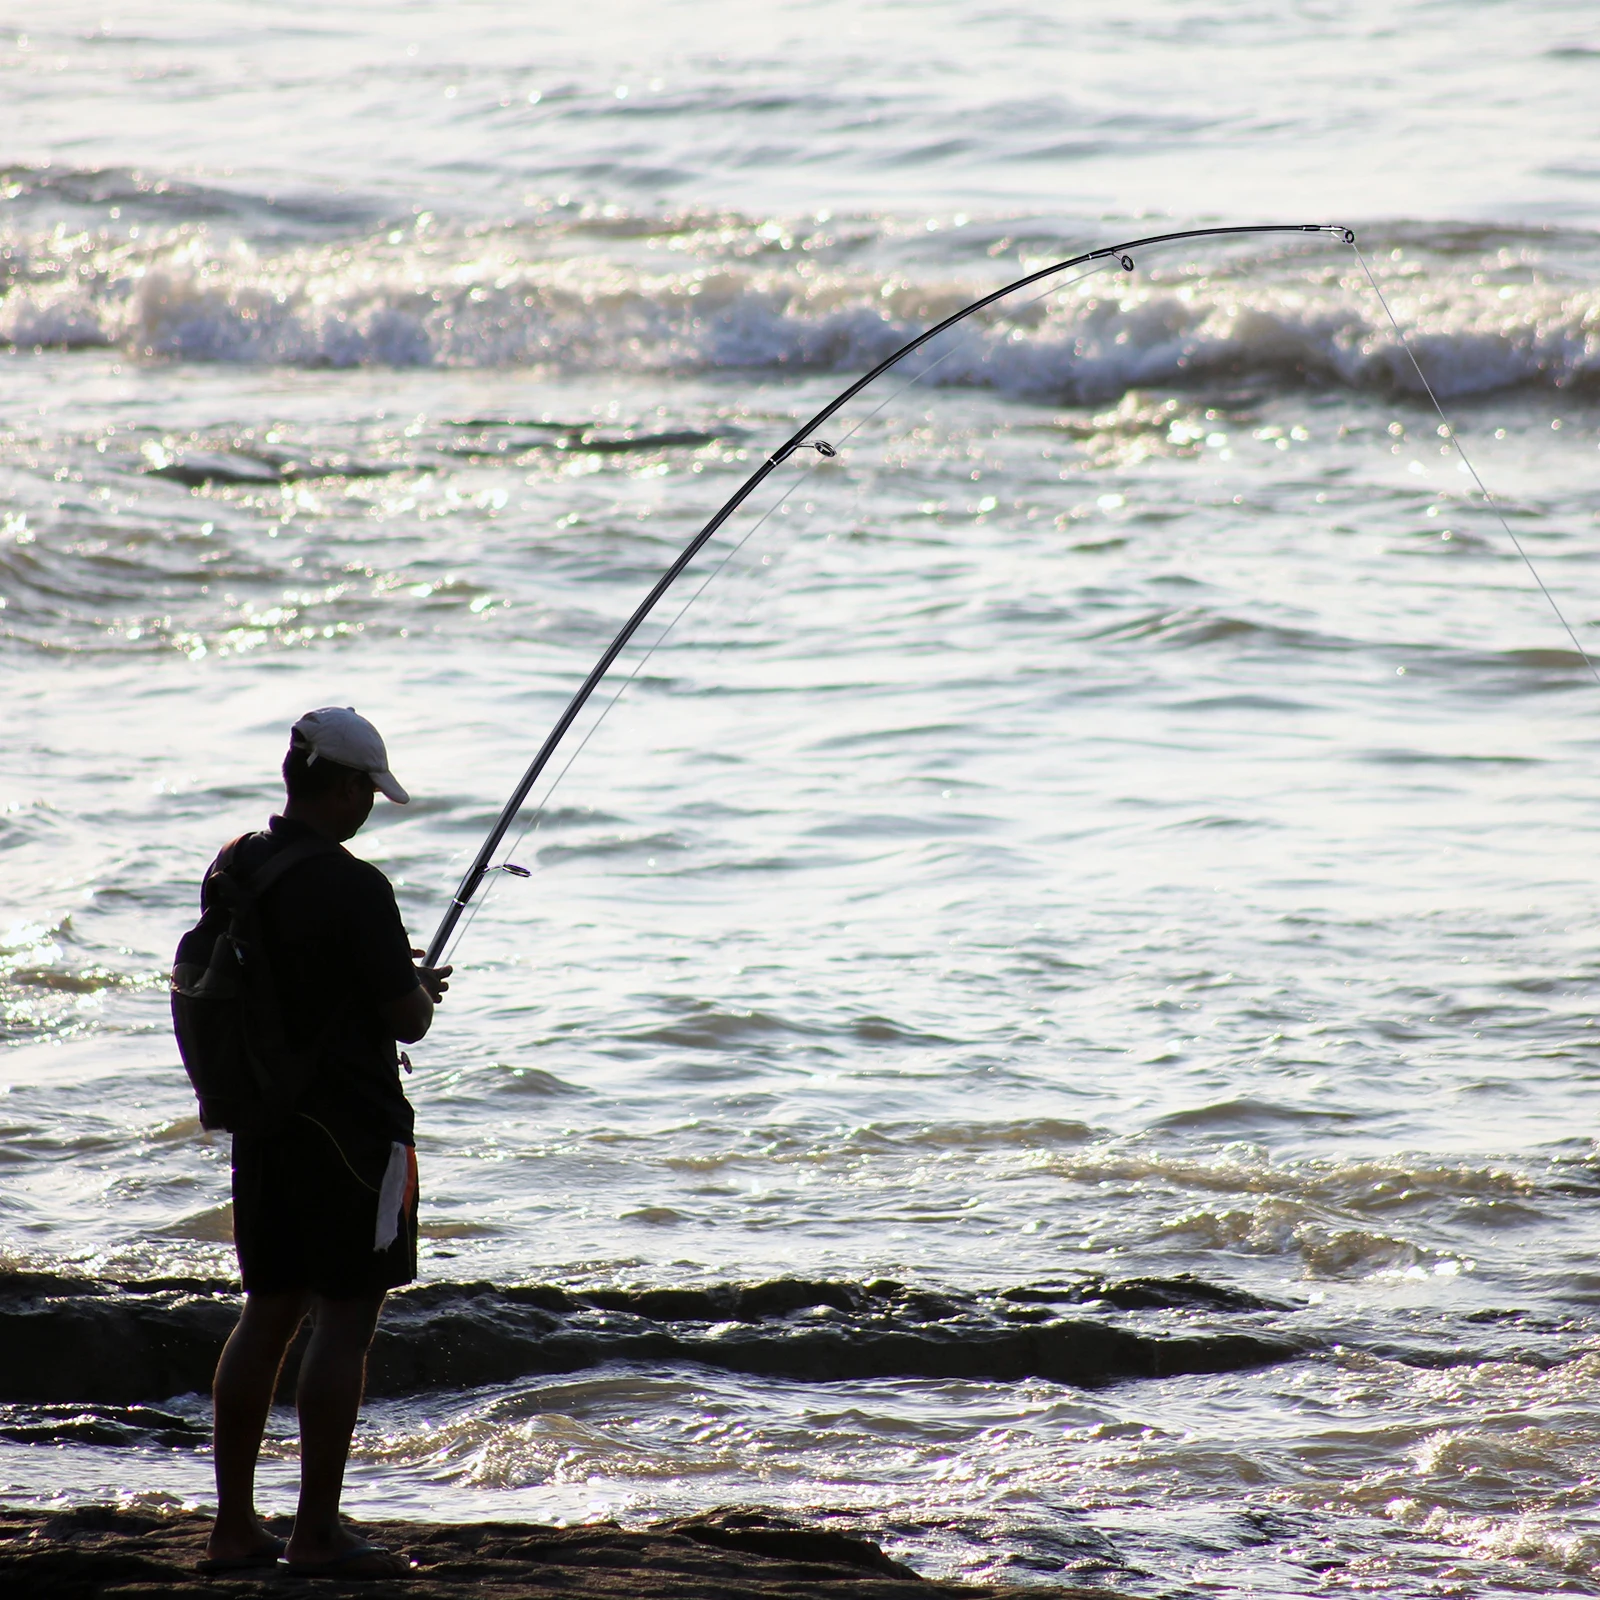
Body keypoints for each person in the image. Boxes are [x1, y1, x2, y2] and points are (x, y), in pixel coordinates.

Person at [198, 707, 450, 1580]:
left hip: (264, 1125)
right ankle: (315, 1534)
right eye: (367, 792)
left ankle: (232, 1528)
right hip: (350, 1131)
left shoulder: (239, 863)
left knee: (266, 1313)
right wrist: (416, 986)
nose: (369, 808)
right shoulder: (356, 886)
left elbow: (286, 982)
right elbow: (406, 1020)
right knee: (345, 1320)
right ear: (343, 786)